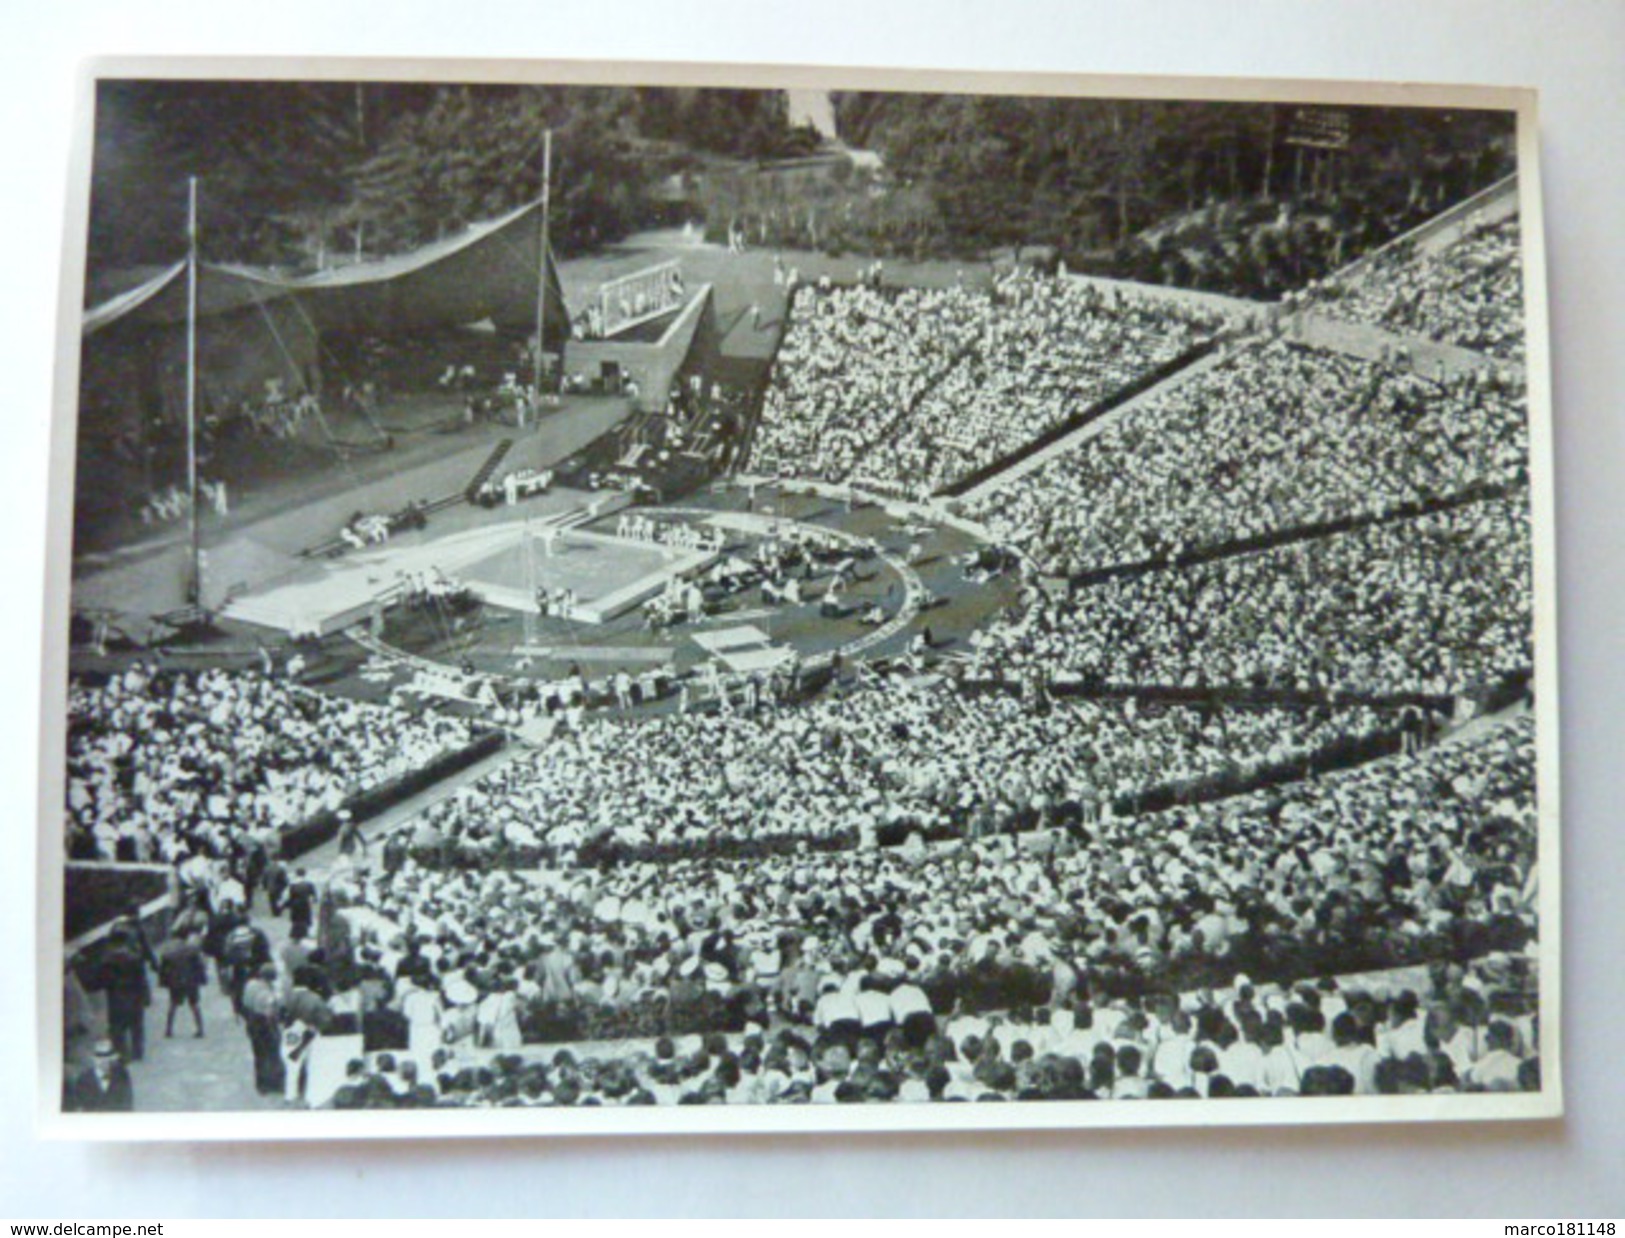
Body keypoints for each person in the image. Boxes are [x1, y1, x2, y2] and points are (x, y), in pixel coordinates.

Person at [157, 927, 207, 1038]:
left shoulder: (168, 951)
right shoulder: (192, 950)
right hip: (191, 981)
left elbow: (163, 970)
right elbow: (199, 967)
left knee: (173, 1005)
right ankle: (200, 1029)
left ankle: (169, 1030)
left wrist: (163, 982)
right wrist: (202, 980)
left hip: (175, 981)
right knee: (194, 1005)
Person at [63, 1039, 133, 1113]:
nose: (104, 1060)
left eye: (107, 1056)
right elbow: (82, 1106)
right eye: (100, 1056)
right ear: (93, 1058)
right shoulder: (84, 1080)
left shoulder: (121, 1076)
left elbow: (127, 1104)